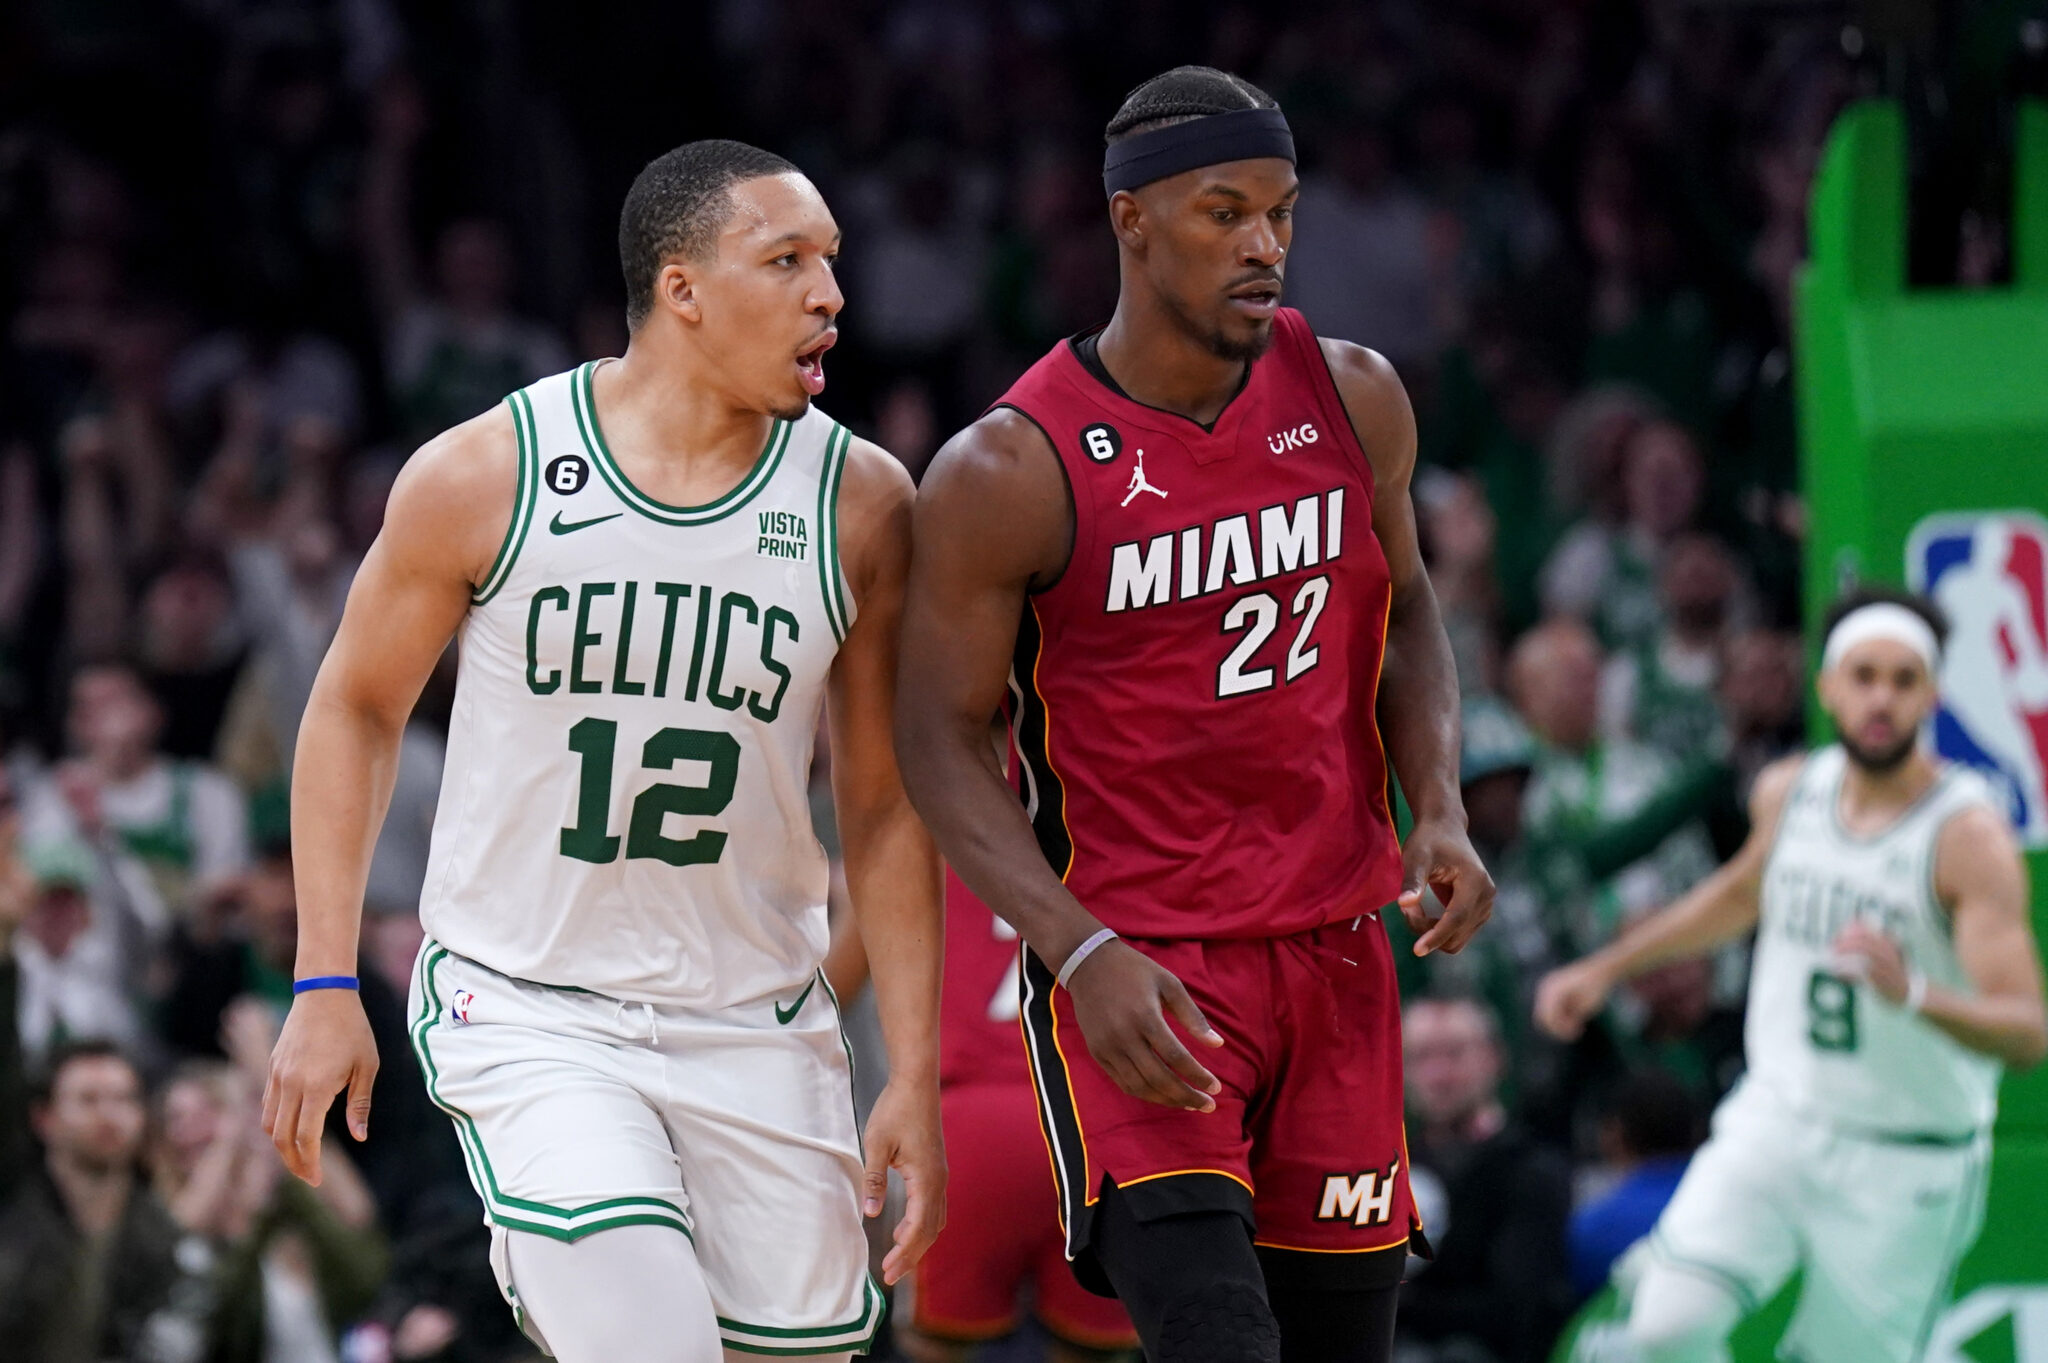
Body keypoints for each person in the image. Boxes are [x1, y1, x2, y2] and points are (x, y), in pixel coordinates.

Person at [263, 140, 944, 1363]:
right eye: (786, 261)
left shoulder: (862, 502)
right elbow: (354, 707)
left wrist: (915, 1070)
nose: (829, 295)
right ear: (682, 289)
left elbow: (884, 806)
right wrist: (322, 984)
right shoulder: (489, 470)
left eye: (831, 261)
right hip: (532, 1004)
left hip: (754, 1014)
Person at [896, 67, 1493, 1363]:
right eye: (1225, 212)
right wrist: (1076, 947)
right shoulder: (1009, 465)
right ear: (1131, 219)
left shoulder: (1355, 394)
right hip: (1146, 968)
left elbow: (1409, 614)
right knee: (1215, 1337)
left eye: (1280, 211)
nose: (1264, 243)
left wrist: (1437, 802)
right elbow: (936, 741)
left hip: (1337, 950)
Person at [1536, 586, 2048, 1363]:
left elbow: (2027, 1032)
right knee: (1665, 1326)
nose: (1882, 698)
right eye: (1864, 675)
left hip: (1905, 1155)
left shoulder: (1966, 837)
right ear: (1828, 686)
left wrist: (1913, 992)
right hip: (1777, 1119)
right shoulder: (1790, 789)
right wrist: (1606, 968)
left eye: (1904, 679)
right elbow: (1742, 893)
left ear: (1932, 695)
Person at [831, 862, 1140, 1363]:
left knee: (935, 1344)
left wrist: (846, 901)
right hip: (1097, 1125)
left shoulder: (922, 849)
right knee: (1092, 1348)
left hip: (971, 1126)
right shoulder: (1114, 847)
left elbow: (829, 994)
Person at [1396, 997, 1572, 1363]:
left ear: (1495, 1058)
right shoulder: (1388, 1171)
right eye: (1420, 1057)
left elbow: (1517, 1309)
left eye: (1455, 1054)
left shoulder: (1531, 1169)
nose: (1438, 1076)